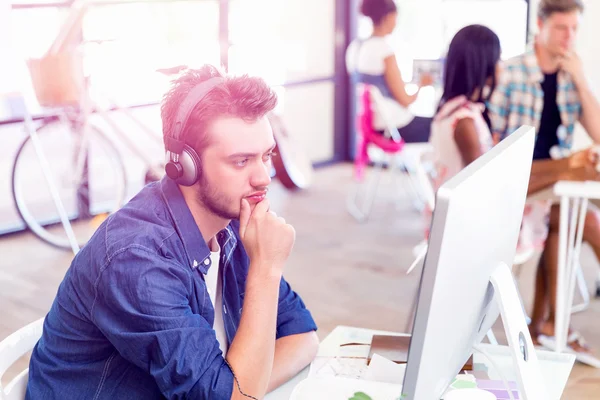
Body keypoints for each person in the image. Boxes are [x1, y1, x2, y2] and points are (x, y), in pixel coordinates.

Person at [26, 65, 319, 399]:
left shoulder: (238, 227)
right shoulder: (135, 259)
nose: (263, 177)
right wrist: (266, 269)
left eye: (266, 156)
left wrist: (242, 388)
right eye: (241, 161)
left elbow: (302, 336)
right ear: (186, 166)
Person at [488, 0, 600, 363]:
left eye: (574, 29)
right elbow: (493, 150)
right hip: (517, 183)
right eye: (561, 28)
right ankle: (550, 326)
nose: (570, 37)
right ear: (540, 25)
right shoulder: (511, 73)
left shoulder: (571, 75)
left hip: (554, 188)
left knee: (570, 220)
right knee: (587, 219)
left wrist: (582, 80)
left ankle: (545, 327)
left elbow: (598, 134)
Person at [346, 0, 432, 142]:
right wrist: (421, 85)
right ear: (388, 17)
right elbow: (405, 100)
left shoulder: (354, 48)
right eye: (395, 18)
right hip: (394, 125)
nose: (396, 23)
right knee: (437, 125)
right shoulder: (384, 51)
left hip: (368, 123)